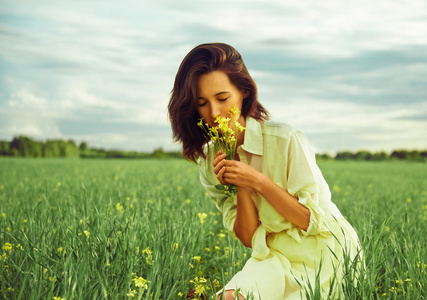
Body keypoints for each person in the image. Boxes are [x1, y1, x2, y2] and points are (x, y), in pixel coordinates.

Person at [168, 43, 362, 300]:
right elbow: (248, 238)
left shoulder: (286, 139)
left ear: (244, 92)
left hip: (325, 252)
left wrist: (257, 180)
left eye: (222, 98)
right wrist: (241, 186)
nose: (214, 113)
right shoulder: (209, 163)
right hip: (272, 256)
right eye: (202, 103)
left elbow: (310, 221)